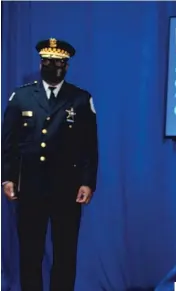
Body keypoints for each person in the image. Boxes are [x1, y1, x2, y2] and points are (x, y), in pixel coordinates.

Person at [1, 37, 99, 291]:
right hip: (30, 187)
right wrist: (7, 177)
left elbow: (90, 146)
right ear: (40, 63)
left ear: (66, 67)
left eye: (57, 64)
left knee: (65, 253)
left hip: (66, 189)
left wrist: (88, 182)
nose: (51, 67)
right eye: (46, 62)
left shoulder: (79, 99)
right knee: (30, 252)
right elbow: (8, 143)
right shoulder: (21, 97)